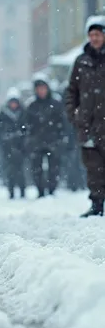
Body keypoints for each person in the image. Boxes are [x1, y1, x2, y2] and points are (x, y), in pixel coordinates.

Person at [65, 16, 105, 217]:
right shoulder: (81, 62)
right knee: (94, 169)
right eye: (91, 35)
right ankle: (97, 204)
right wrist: (74, 114)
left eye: (98, 34)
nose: (95, 38)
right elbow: (71, 91)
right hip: (88, 125)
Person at [25, 74, 66, 198]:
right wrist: (29, 138)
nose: (41, 91)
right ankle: (40, 191)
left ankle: (52, 190)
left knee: (54, 168)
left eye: (43, 88)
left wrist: (61, 137)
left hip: (53, 141)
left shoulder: (56, 103)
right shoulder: (31, 105)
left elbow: (62, 122)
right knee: (36, 169)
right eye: (38, 88)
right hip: (36, 142)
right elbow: (27, 124)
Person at [0, 88, 27, 199]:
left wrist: (21, 137)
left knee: (21, 170)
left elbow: (27, 128)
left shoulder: (23, 112)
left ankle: (22, 191)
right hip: (7, 147)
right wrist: (3, 139)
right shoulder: (4, 113)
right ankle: (11, 191)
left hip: (20, 147)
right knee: (10, 171)